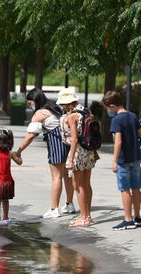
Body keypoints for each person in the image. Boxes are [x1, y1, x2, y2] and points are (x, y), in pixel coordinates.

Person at [15, 88, 75, 219]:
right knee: (67, 175)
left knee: (56, 177)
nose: (29, 105)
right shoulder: (55, 106)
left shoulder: (40, 113)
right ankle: (69, 204)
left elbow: (31, 135)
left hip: (56, 145)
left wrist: (18, 151)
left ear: (35, 100)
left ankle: (54, 209)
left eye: (30, 102)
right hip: (69, 144)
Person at [102, 91, 141, 230]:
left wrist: (114, 161)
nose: (108, 111)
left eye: (108, 108)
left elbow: (118, 142)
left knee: (125, 189)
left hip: (123, 160)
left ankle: (128, 220)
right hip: (136, 157)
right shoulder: (132, 116)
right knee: (136, 188)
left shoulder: (116, 120)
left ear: (113, 106)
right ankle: (137, 217)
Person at [57, 88, 99, 227]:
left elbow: (74, 140)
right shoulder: (87, 112)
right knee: (87, 184)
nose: (62, 107)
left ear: (69, 104)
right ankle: (88, 216)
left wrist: (70, 158)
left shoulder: (72, 116)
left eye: (63, 105)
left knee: (78, 185)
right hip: (89, 152)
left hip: (79, 153)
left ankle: (83, 217)